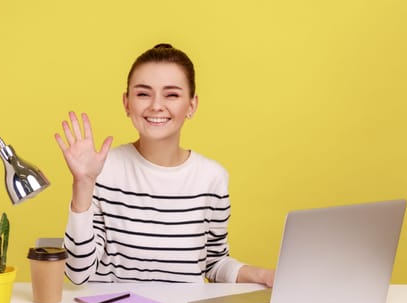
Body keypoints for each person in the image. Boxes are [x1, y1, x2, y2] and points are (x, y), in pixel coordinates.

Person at [55, 43, 274, 286]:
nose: (156, 105)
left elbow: (213, 263)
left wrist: (263, 276)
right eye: (143, 94)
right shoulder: (101, 170)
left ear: (191, 105)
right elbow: (77, 272)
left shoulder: (212, 178)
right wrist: (83, 184)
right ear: (127, 103)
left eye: (171, 94)